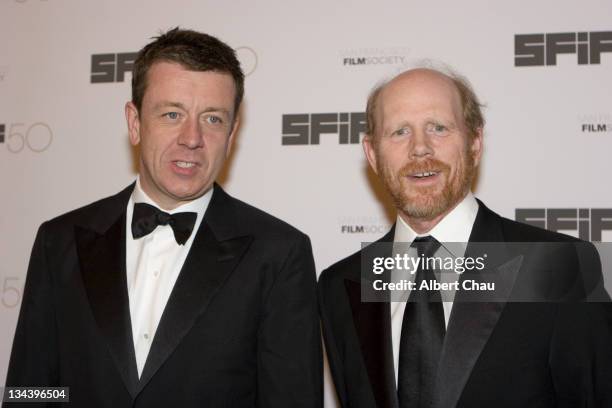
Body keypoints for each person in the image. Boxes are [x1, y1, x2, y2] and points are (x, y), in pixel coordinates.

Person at [4, 28, 321, 408]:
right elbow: (31, 392)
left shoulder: (279, 254)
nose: (192, 138)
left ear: (233, 133)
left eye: (213, 119)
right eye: (172, 114)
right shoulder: (59, 241)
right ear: (135, 122)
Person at [318, 66, 612, 408]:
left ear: (475, 142)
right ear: (372, 154)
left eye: (438, 128)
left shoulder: (559, 268)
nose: (420, 149)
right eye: (399, 132)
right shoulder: (340, 286)